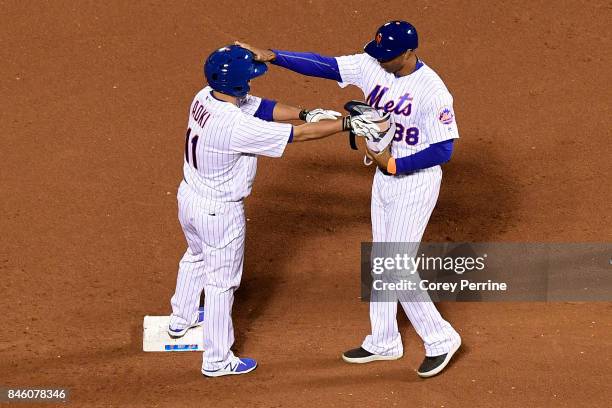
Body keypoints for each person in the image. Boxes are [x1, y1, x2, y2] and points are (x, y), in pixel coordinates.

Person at [236, 19, 462, 378]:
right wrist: (276, 56)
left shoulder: (433, 91)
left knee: (397, 266)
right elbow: (325, 65)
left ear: (408, 53)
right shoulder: (372, 62)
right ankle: (384, 340)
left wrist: (394, 163)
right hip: (384, 174)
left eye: (388, 56)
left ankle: (441, 339)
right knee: (381, 258)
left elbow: (444, 149)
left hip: (415, 180)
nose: (380, 60)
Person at [168, 45, 380, 377]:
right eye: (249, 78)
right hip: (219, 212)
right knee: (222, 284)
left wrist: (307, 112)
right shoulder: (235, 126)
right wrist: (346, 125)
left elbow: (263, 108)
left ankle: (181, 318)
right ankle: (217, 360)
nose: (253, 83)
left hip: (190, 200)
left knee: (195, 255)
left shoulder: (205, 97)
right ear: (237, 83)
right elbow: (298, 136)